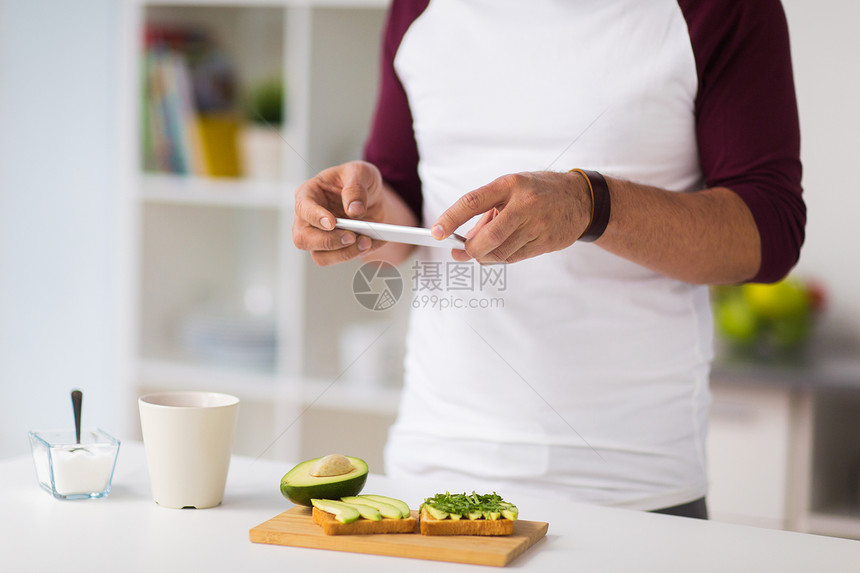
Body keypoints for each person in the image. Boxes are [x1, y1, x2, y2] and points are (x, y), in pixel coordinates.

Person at [292, 0, 805, 519]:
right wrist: (365, 215)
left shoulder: (723, 9)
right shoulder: (417, 9)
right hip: (433, 472)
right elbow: (407, 207)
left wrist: (592, 204)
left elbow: (769, 232)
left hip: (634, 490)